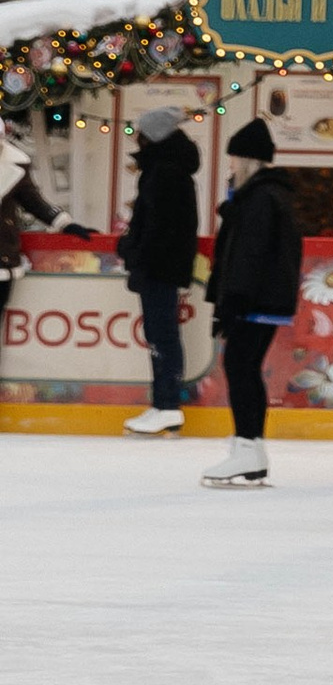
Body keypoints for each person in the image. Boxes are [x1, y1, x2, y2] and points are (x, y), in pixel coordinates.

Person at [199, 122, 304, 489]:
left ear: (247, 159)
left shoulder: (260, 198)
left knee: (240, 367)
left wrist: (234, 302)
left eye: (234, 157)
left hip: (256, 300)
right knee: (243, 367)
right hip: (261, 299)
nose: (230, 164)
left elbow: (249, 255)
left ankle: (248, 447)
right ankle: (250, 448)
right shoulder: (262, 196)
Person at [118, 108, 202, 438]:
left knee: (162, 335)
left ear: (153, 136)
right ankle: (164, 404)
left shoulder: (164, 174)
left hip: (159, 266)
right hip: (162, 265)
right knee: (160, 334)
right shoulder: (167, 170)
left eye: (140, 132)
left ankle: (167, 406)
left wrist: (132, 250)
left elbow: (159, 227)